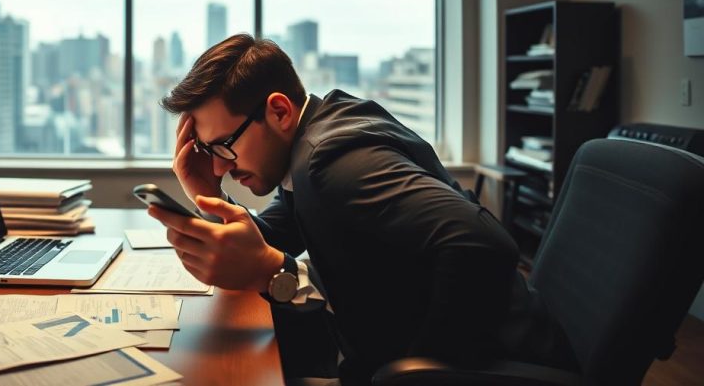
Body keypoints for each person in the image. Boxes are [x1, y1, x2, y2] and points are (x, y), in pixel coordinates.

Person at [147, 34, 576, 384]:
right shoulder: (314, 138)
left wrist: (421, 373)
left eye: (224, 145)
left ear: (278, 110)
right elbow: (270, 240)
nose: (221, 164)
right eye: (209, 150)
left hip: (495, 363)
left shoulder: (335, 162)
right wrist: (207, 192)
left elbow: (483, 244)